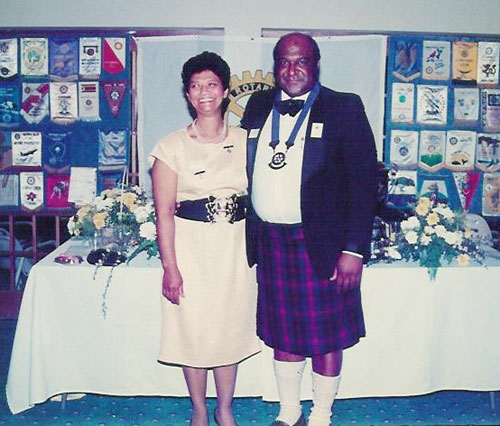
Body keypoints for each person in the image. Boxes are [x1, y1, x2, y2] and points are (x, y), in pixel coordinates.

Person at [241, 33, 378, 426]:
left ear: (316, 64)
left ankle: (321, 414)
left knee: (326, 336)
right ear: (275, 66)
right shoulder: (258, 104)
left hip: (322, 242)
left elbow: (364, 182)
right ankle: (289, 411)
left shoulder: (343, 106)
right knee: (283, 331)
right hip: (270, 240)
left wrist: (354, 249)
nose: (292, 69)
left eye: (301, 61)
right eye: (284, 61)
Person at [150, 51, 260, 426]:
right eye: (195, 86)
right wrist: (171, 268)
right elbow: (164, 212)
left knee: (229, 326)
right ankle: (199, 409)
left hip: (235, 248)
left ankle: (224, 408)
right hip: (191, 248)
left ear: (225, 90)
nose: (204, 93)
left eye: (211, 84)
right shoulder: (170, 147)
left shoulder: (247, 141)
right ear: (187, 94)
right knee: (193, 330)